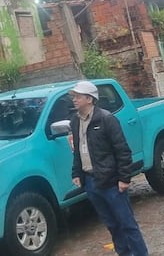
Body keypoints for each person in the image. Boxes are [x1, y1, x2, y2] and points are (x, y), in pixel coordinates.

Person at [70, 80, 149, 256]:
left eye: (77, 96)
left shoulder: (106, 119)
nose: (74, 99)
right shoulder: (75, 121)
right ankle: (124, 253)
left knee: (126, 223)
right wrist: (76, 172)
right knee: (112, 224)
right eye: (73, 96)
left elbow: (122, 150)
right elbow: (77, 149)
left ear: (89, 99)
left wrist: (124, 178)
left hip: (112, 182)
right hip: (91, 181)